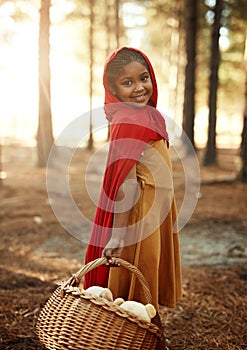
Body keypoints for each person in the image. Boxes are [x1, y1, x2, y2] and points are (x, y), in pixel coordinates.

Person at [84, 47, 182, 348]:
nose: (140, 87)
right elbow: (126, 180)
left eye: (144, 78)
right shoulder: (128, 119)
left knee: (147, 272)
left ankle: (148, 335)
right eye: (128, 83)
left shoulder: (148, 115)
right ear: (113, 89)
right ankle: (132, 336)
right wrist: (119, 232)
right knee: (138, 272)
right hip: (140, 212)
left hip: (156, 210)